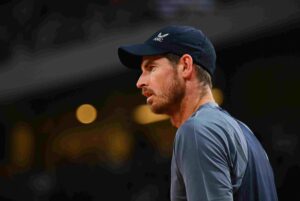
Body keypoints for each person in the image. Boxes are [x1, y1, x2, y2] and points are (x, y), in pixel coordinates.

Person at [117, 25, 278, 201]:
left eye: (151, 68)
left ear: (185, 66)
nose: (140, 82)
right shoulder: (244, 132)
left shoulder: (197, 131)